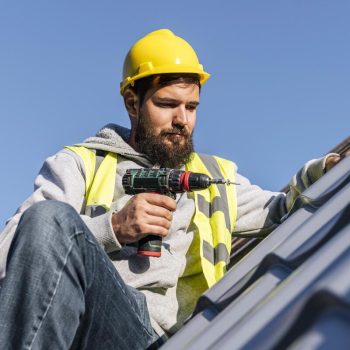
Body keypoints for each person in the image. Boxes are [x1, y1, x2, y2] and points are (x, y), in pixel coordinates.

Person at [0, 29, 342, 349]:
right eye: (167, 104)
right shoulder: (81, 163)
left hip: (177, 339)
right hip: (91, 324)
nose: (183, 119)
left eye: (191, 107)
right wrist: (114, 228)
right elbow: (14, 251)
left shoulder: (212, 176)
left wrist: (326, 168)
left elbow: (284, 206)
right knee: (49, 218)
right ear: (133, 103)